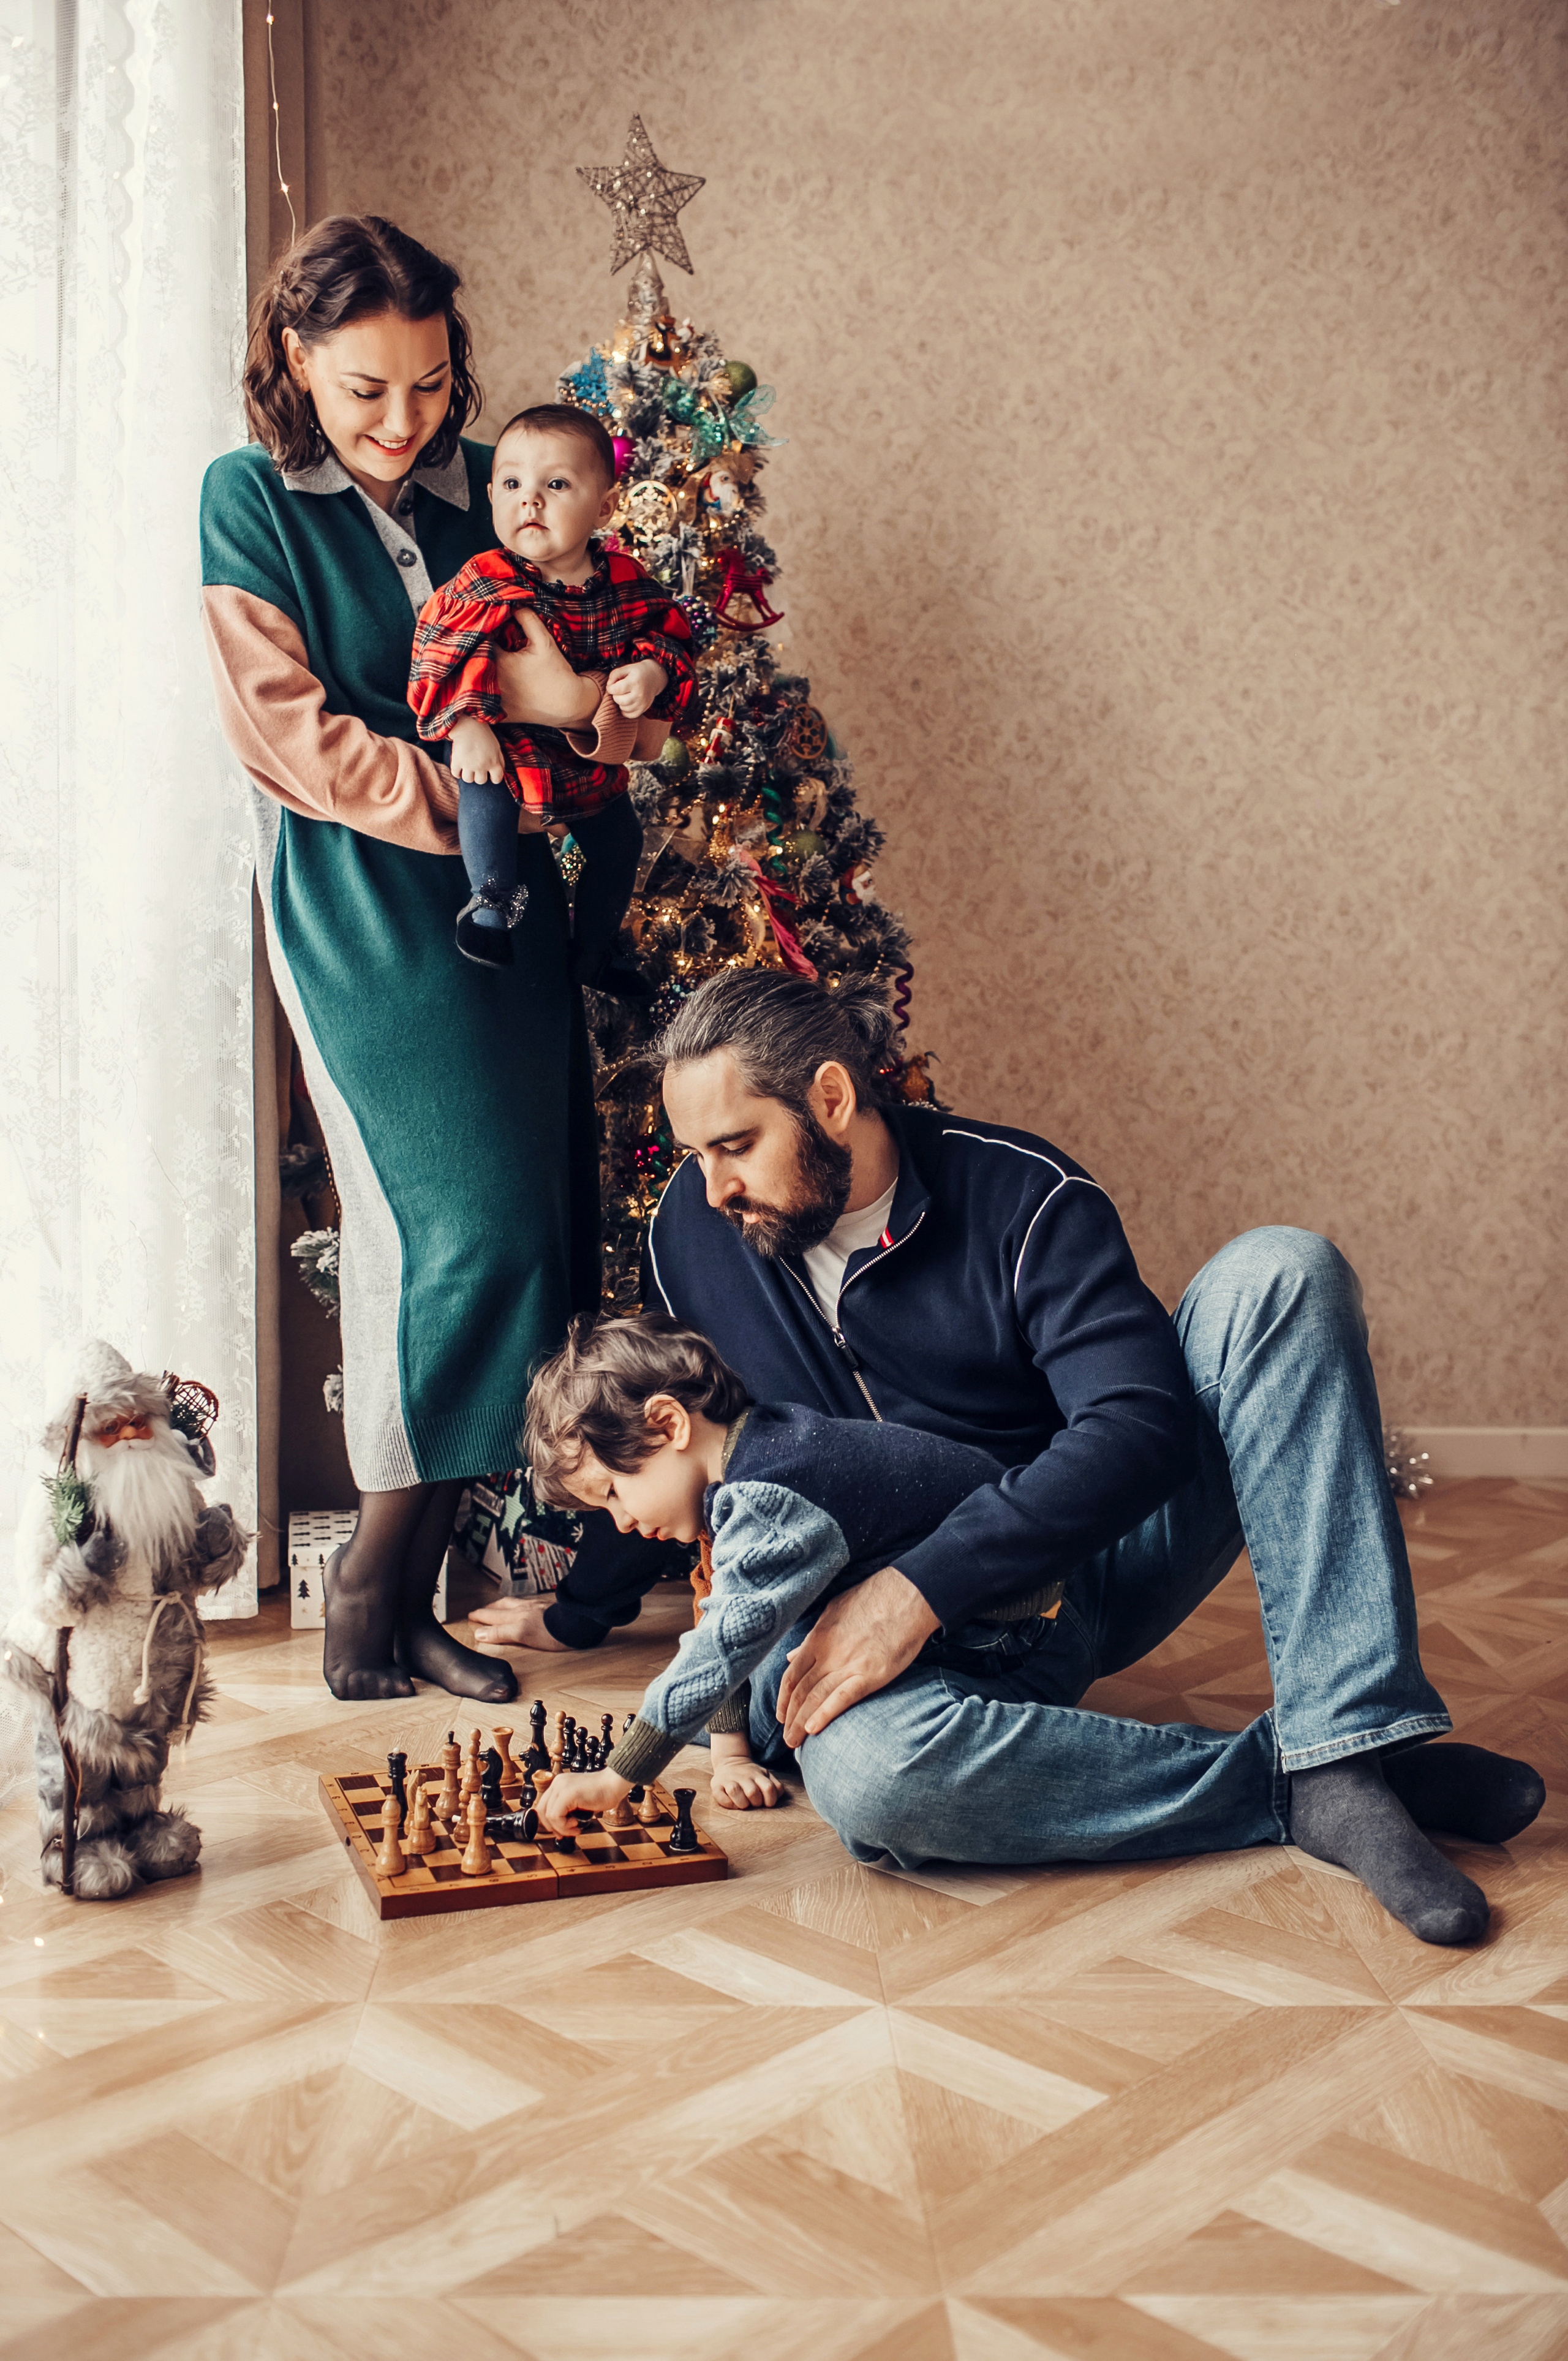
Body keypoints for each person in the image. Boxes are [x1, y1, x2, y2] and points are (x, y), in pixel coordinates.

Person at [486, 969, 1545, 1944]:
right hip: (876, 1653)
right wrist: (584, 1609)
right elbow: (677, 1453)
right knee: (870, 1781)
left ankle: (1350, 1731)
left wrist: (921, 1585)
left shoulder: (1021, 1192)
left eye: (734, 1144)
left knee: (1283, 1271)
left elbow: (1139, 1426)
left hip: (1083, 1569)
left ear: (832, 1100)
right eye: (693, 1153)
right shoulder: (694, 1235)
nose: (711, 1187)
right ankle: (1310, 1779)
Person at [201, 214, 606, 1703]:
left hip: (510, 917)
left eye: (429, 385)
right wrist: (474, 803)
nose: (402, 421)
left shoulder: (485, 492)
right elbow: (284, 735)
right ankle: (366, 1602)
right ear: (297, 363)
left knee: (528, 1235)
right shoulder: (245, 499)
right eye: (365, 388)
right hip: (358, 902)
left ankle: (409, 1603)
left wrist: (599, 715)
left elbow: (548, 669)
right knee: (457, 1233)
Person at [523, 1312, 1002, 1823]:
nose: (619, 1522)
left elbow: (719, 1648)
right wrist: (731, 1755)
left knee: (799, 1731)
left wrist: (617, 1776)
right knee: (729, 1707)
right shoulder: (739, 1463)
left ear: (668, 1423)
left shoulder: (767, 1494)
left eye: (613, 1493)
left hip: (1000, 1625)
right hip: (917, 1613)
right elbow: (721, 1617)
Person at [407, 404, 696, 974]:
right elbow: (436, 651)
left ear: (605, 507)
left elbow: (672, 637)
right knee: (483, 794)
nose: (530, 500)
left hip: (586, 761)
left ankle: (594, 949)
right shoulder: (486, 580)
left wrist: (652, 672)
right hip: (504, 746)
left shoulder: (628, 583)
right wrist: (466, 726)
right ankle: (490, 908)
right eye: (512, 483)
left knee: (619, 847)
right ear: (492, 496)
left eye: (556, 484)